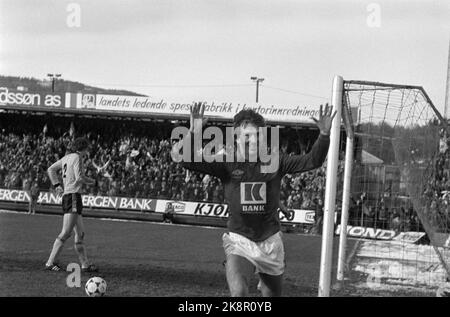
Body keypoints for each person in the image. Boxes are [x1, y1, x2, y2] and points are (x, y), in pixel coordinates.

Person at [172, 102, 334, 297]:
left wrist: (324, 136)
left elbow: (312, 161)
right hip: (240, 240)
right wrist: (194, 132)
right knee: (239, 293)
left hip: (270, 241)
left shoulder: (275, 161)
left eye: (257, 136)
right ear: (236, 138)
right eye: (247, 136)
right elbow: (186, 160)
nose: (252, 141)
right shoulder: (226, 162)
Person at [44, 137, 98, 272]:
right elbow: (80, 178)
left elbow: (51, 169)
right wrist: (94, 182)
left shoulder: (66, 158)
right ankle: (50, 263)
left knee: (80, 234)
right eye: (87, 148)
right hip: (73, 196)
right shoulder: (78, 157)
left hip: (71, 196)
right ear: (84, 148)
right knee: (66, 232)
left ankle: (85, 265)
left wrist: (57, 185)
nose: (88, 151)